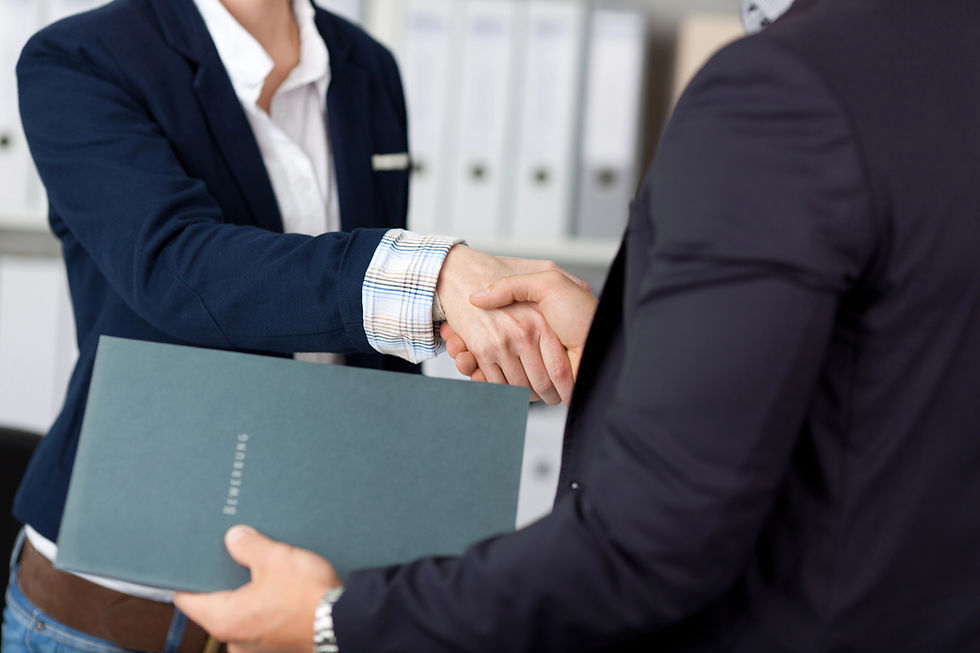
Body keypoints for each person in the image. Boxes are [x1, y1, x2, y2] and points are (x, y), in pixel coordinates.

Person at [174, 0, 980, 650]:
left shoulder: (787, 91)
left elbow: (648, 548)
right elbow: (891, 383)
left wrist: (334, 621)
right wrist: (631, 342)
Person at [2, 1, 577, 652]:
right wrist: (435, 276)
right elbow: (176, 266)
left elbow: (364, 339)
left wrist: (488, 324)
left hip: (314, 602)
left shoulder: (366, 66)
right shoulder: (82, 57)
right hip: (117, 607)